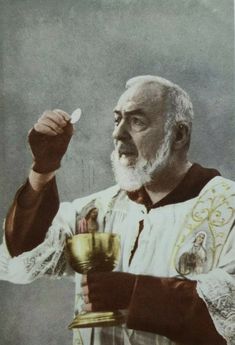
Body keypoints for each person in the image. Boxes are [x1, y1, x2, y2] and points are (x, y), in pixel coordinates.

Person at [0, 75, 234, 345]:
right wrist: (42, 170)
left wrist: (134, 293)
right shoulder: (95, 211)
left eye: (136, 121)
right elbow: (19, 258)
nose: (118, 133)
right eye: (117, 119)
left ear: (178, 135)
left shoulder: (228, 207)